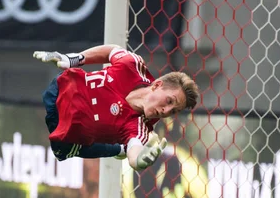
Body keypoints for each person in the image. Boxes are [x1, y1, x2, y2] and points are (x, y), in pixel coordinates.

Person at [33, 45, 199, 170]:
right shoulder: (132, 65)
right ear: (157, 85)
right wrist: (74, 59)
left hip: (63, 134)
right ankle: (120, 148)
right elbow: (112, 50)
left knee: (121, 147)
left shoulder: (139, 128)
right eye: (170, 101)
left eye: (174, 111)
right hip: (60, 88)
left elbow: (135, 150)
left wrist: (139, 160)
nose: (166, 111)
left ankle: (119, 148)